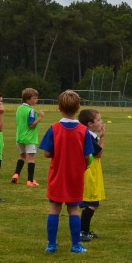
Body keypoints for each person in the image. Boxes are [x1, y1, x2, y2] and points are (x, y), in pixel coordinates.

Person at [39, 90, 96, 253]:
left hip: (57, 174)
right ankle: (75, 245)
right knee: (74, 209)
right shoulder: (83, 131)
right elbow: (88, 155)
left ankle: (51, 244)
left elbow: (47, 153)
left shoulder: (54, 128)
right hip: (75, 176)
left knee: (54, 209)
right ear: (78, 108)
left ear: (59, 107)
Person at [78, 109, 105, 242]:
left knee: (90, 202)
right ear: (89, 124)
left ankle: (84, 230)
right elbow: (98, 153)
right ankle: (83, 231)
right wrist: (103, 137)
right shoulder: (87, 136)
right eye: (98, 120)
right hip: (89, 173)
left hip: (90, 172)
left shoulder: (89, 135)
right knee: (92, 203)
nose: (101, 122)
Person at [11, 87, 45, 186]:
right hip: (29, 138)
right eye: (34, 98)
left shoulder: (19, 108)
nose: (36, 100)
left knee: (22, 156)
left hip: (19, 137)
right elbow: (31, 124)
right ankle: (30, 180)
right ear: (27, 99)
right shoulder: (31, 111)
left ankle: (16, 175)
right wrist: (40, 117)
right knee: (31, 159)